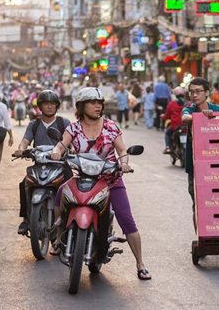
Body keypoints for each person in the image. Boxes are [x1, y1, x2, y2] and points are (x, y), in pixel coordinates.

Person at [50, 87, 151, 280]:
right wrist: (56, 151)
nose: (98, 106)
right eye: (92, 102)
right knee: (60, 194)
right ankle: (57, 237)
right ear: (81, 106)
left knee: (127, 220)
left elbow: (122, 150)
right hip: (82, 180)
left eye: (99, 103)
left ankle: (140, 264)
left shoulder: (111, 126)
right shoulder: (74, 127)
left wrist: (124, 164)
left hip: (111, 181)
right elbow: (62, 144)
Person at [13, 90, 70, 235]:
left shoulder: (63, 123)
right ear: (40, 106)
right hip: (40, 165)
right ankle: (26, 219)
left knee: (71, 188)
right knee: (25, 184)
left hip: (61, 165)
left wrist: (72, 151)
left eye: (52, 104)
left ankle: (70, 220)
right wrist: (21, 149)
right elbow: (25, 140)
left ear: (57, 106)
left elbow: (71, 142)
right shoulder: (34, 124)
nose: (49, 107)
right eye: (46, 104)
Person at [182, 78, 219, 227]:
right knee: (198, 205)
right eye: (191, 92)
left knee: (218, 203)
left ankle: (217, 232)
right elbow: (184, 117)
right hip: (194, 168)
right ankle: (201, 237)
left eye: (198, 91)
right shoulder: (190, 110)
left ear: (206, 93)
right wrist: (201, 117)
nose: (194, 95)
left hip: (217, 167)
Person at [162, 86, 186, 154]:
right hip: (186, 126)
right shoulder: (188, 104)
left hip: (175, 126)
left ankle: (167, 147)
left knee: (167, 134)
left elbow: (167, 115)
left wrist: (163, 117)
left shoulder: (172, 104)